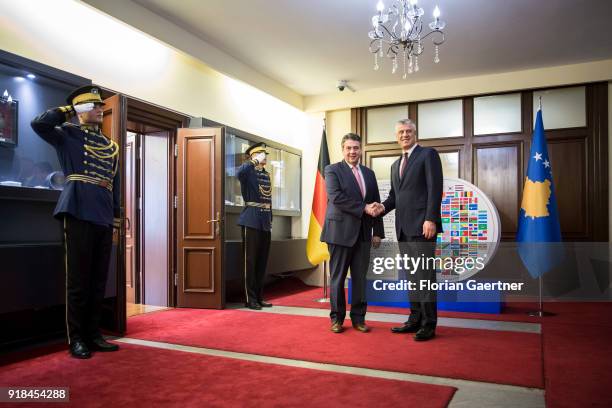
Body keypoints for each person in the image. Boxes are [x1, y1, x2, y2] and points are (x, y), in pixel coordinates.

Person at [31, 85, 121, 358]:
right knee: (78, 279)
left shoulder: (111, 146)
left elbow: (113, 183)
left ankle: (94, 333)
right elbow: (39, 123)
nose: (99, 109)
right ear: (81, 111)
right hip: (78, 206)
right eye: (92, 105)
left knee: (98, 279)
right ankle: (77, 338)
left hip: (103, 212)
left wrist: (115, 216)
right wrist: (70, 108)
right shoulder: (67, 134)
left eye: (99, 105)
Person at [373, 119, 443, 341]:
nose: (405, 135)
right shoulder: (395, 165)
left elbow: (435, 188)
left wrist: (431, 218)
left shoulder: (428, 155)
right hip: (403, 228)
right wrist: (382, 207)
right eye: (401, 132)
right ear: (397, 137)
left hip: (423, 227)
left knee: (425, 277)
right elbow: (395, 197)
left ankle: (429, 324)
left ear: (415, 134)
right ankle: (415, 319)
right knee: (412, 277)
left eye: (408, 131)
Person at [320, 133, 384, 333]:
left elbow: (376, 203)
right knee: (338, 278)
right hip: (339, 233)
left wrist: (377, 232)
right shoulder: (332, 170)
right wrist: (364, 208)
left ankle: (358, 318)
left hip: (364, 234)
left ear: (360, 150)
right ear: (343, 149)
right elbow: (336, 198)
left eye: (356, 148)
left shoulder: (369, 173)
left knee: (359, 279)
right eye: (348, 148)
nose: (352, 151)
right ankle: (337, 319)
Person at [237, 142, 274, 310]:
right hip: (251, 219)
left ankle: (259, 297)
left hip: (264, 221)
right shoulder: (248, 172)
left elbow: (268, 200)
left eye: (264, 153)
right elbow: (239, 172)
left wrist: (270, 219)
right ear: (253, 156)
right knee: (250, 262)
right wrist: (252, 162)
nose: (264, 156)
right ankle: (249, 298)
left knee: (261, 261)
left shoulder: (266, 174)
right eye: (260, 153)